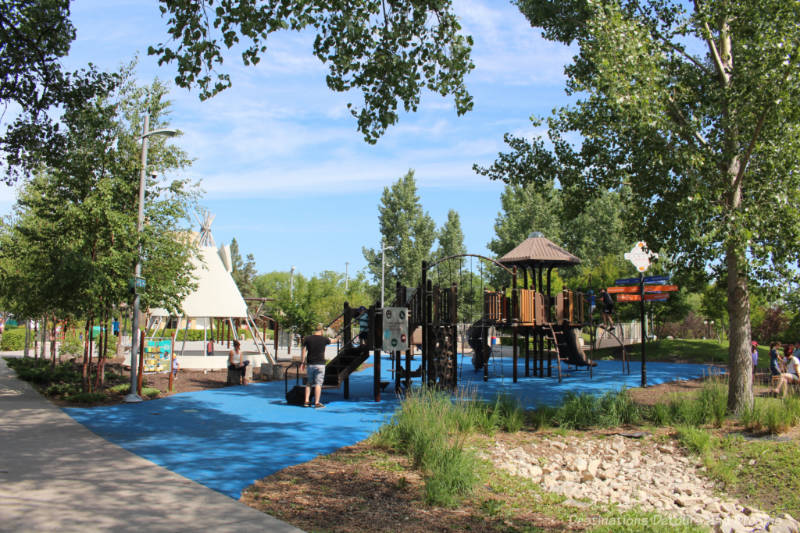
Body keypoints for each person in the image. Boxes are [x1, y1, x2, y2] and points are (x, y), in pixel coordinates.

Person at [301, 324, 332, 408]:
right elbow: (333, 341)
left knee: (309, 383)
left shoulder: (307, 338)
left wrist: (302, 362)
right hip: (320, 364)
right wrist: (338, 338)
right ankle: (317, 402)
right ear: (321, 331)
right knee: (318, 384)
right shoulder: (324, 339)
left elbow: (303, 351)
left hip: (311, 363)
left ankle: (306, 401)